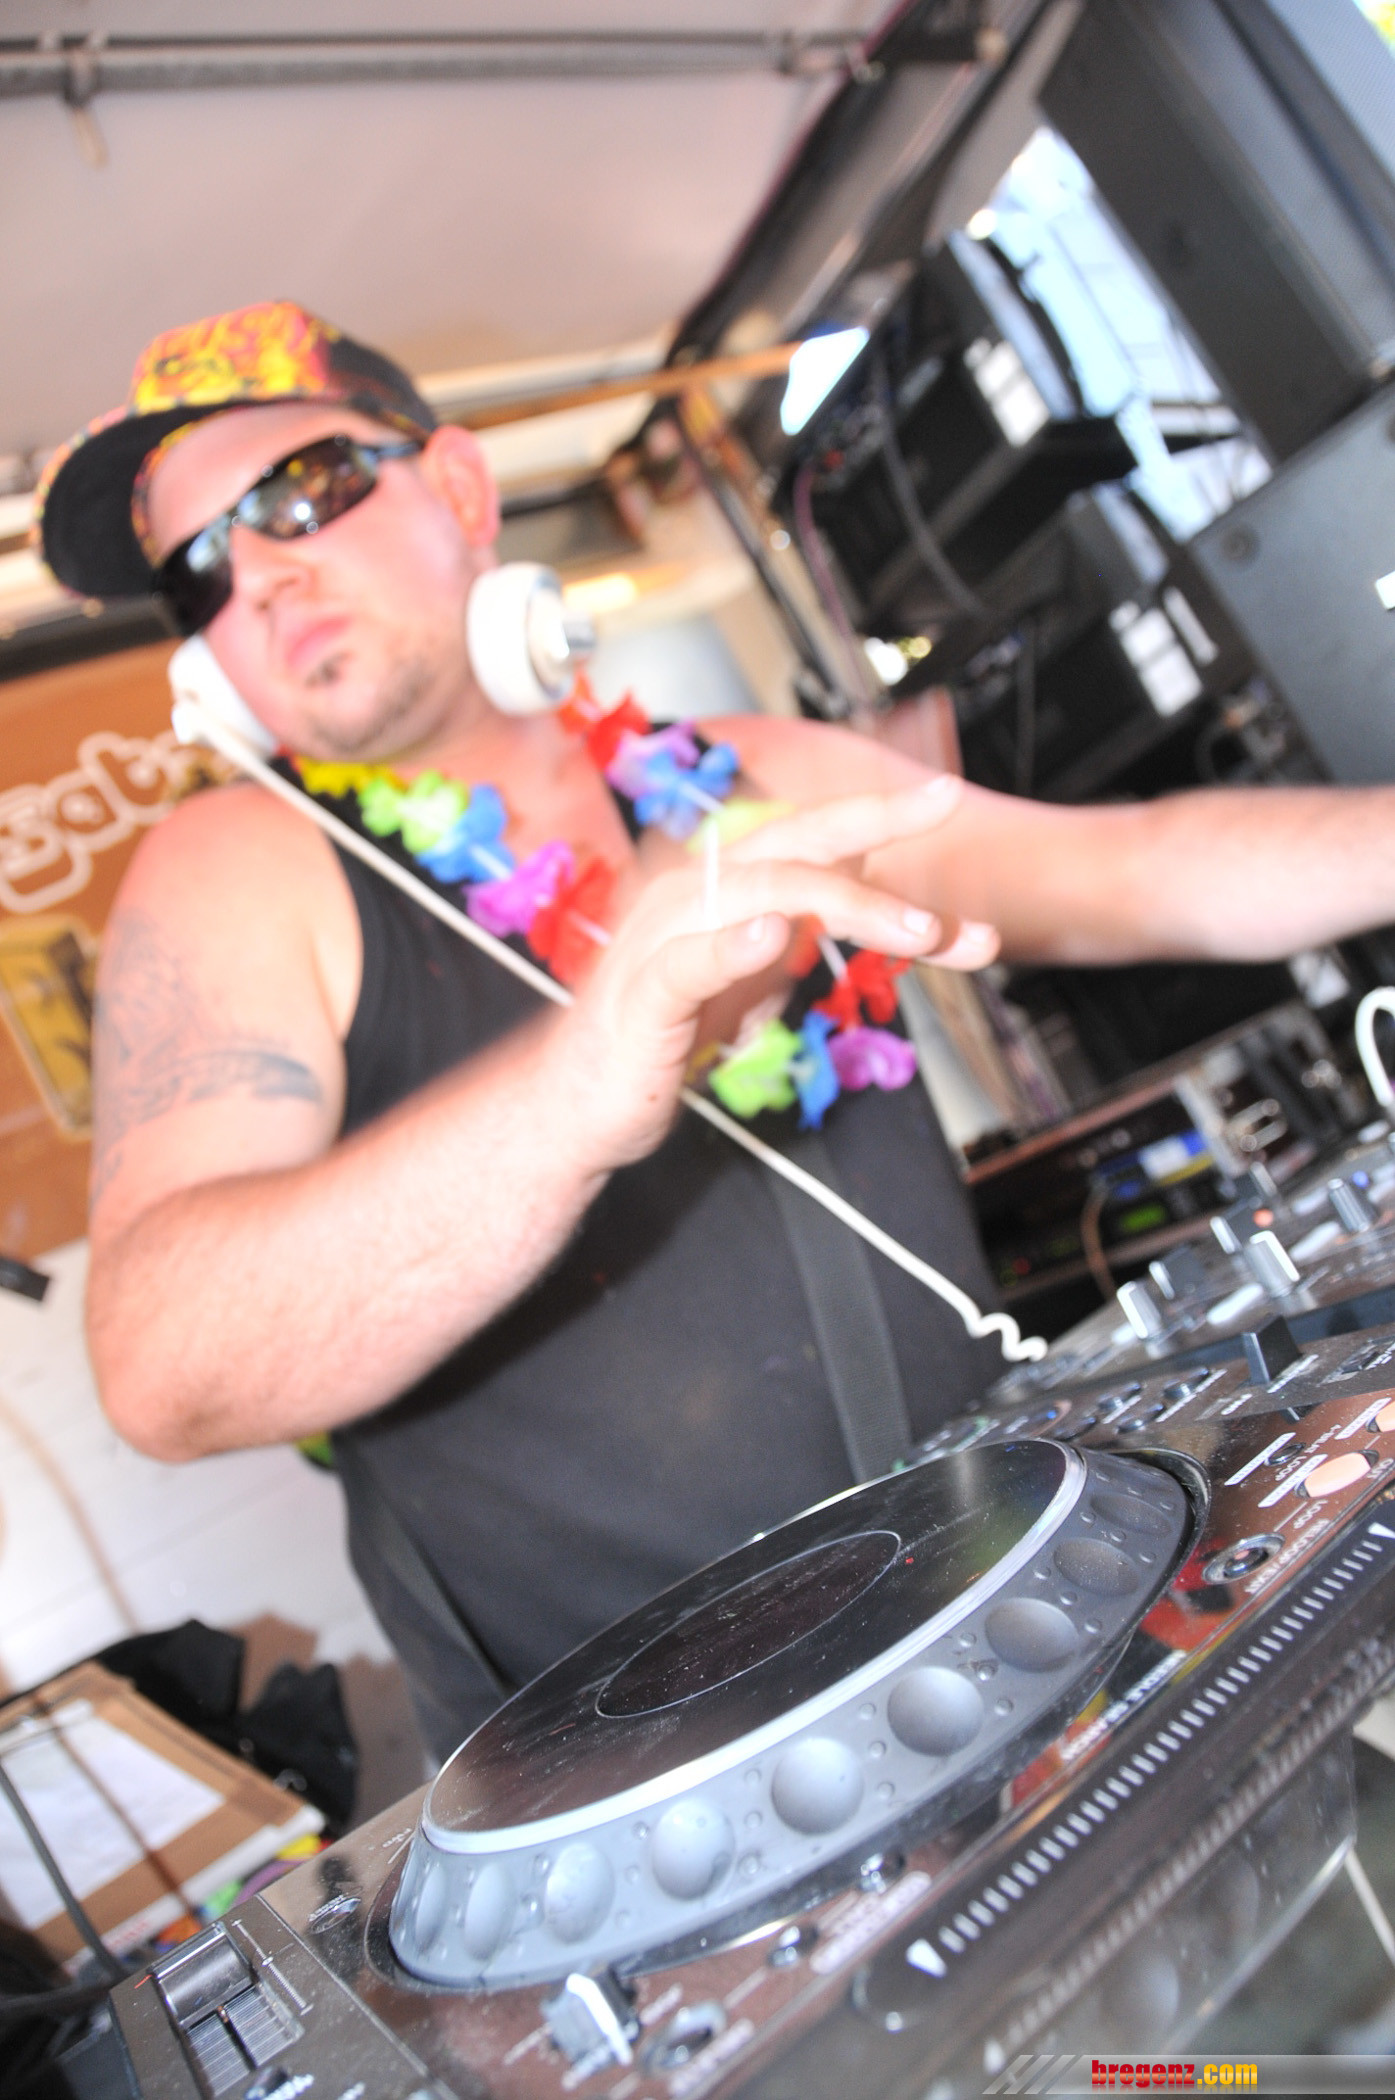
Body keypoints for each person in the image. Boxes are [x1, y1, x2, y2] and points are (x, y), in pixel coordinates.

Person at [37, 302, 1395, 1758]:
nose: (258, 577)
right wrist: (581, 1084)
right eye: (196, 571)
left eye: (299, 493)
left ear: (461, 490)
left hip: (1026, 1606)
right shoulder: (237, 869)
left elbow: (1147, 871)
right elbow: (162, 1363)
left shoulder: (748, 778)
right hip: (655, 1784)